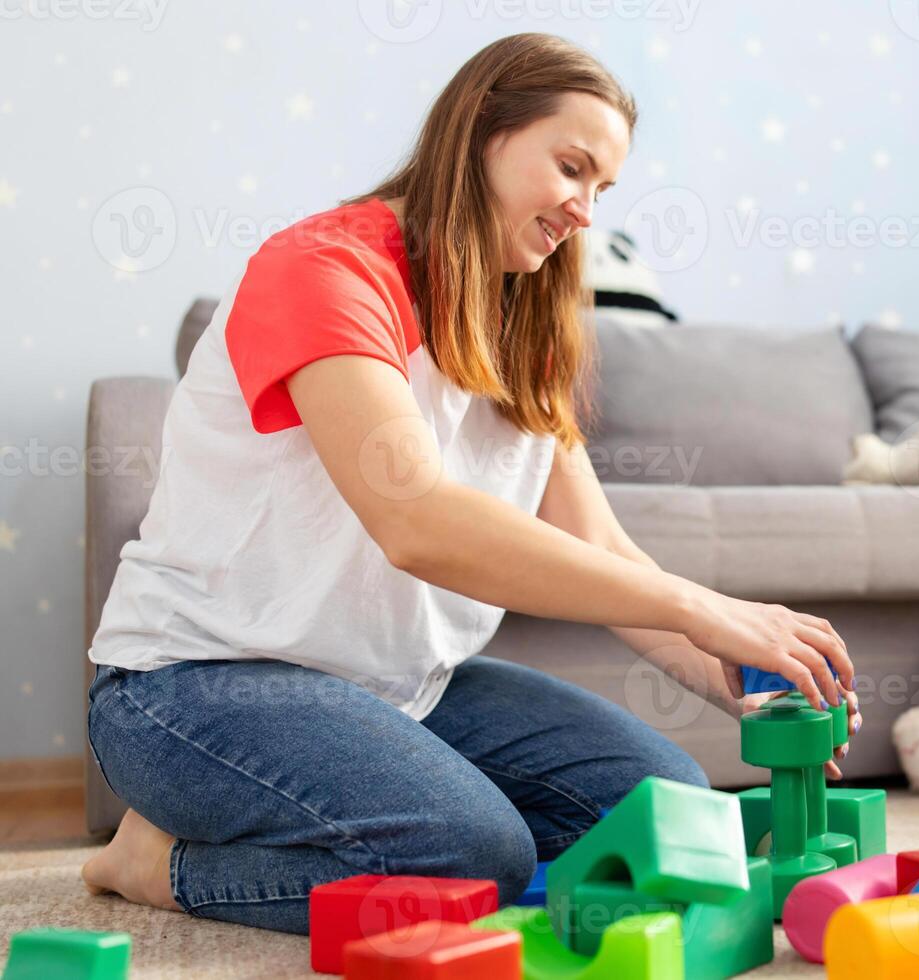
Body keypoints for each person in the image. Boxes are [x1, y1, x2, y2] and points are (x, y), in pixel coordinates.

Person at [80, 33, 858, 936]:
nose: (583, 211)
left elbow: (596, 548)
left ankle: (366, 808)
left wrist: (738, 673)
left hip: (403, 690)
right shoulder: (325, 270)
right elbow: (417, 521)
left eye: (602, 189)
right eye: (570, 167)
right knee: (467, 853)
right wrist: (699, 604)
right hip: (194, 686)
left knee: (669, 808)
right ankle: (160, 863)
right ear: (482, 130)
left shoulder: (523, 320)